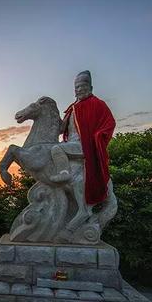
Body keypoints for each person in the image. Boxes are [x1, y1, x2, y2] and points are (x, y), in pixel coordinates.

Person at [60, 70, 116, 205]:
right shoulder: (72, 109)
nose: (79, 90)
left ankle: (63, 175)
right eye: (77, 87)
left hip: (84, 145)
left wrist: (98, 136)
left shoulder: (98, 104)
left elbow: (110, 123)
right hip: (69, 142)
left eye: (82, 86)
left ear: (90, 88)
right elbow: (61, 129)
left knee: (56, 149)